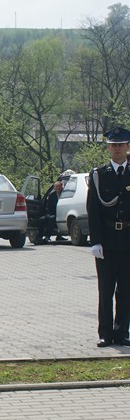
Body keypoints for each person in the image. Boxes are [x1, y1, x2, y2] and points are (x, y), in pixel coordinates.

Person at [87, 127, 130, 348]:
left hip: (128, 240)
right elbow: (93, 210)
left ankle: (121, 332)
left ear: (128, 147)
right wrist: (95, 241)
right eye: (113, 145)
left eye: (121, 145)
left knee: (126, 290)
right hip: (106, 240)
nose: (117, 149)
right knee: (105, 289)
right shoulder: (99, 175)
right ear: (108, 148)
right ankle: (105, 332)